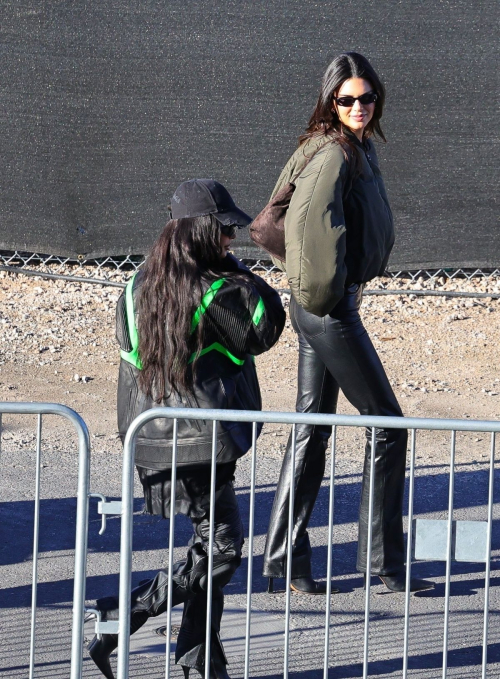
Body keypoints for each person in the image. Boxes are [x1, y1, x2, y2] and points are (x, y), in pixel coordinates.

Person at [88, 179, 285, 679]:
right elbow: (268, 324)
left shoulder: (136, 284)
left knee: (209, 545)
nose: (231, 241)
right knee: (222, 549)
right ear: (201, 232)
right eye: (224, 232)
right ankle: (127, 613)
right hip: (201, 442)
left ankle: (198, 661)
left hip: (147, 437)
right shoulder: (218, 289)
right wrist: (239, 270)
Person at [262, 53, 434, 595]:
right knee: (388, 422)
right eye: (347, 99)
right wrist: (326, 296)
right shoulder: (334, 153)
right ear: (330, 101)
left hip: (326, 304)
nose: (359, 107)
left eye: (367, 98)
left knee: (311, 425)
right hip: (328, 308)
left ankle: (286, 560)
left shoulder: (350, 147)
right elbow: (308, 225)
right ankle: (385, 561)